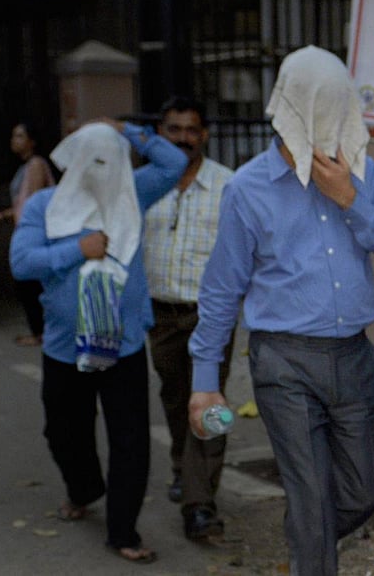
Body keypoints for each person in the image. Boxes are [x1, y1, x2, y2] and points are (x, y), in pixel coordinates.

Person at [187, 45, 374, 575]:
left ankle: (309, 539)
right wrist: (204, 381)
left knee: (364, 491)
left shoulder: (363, 174)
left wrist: (349, 197)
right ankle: (311, 547)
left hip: (354, 356)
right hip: (283, 362)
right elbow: (221, 289)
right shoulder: (246, 189)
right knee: (309, 496)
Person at [10, 118, 187, 564]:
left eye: (113, 160)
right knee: (64, 432)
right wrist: (78, 249)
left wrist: (127, 129)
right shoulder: (44, 207)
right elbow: (21, 261)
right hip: (63, 349)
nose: (104, 170)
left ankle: (122, 530)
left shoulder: (132, 194)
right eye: (95, 158)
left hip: (122, 345)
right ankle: (84, 488)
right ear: (75, 160)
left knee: (131, 439)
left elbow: (175, 161)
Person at [142, 96, 236, 539]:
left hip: (210, 318)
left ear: (205, 135)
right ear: (160, 134)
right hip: (158, 318)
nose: (182, 138)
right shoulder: (144, 186)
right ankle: (185, 470)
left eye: (190, 130)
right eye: (173, 129)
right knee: (176, 400)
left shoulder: (227, 186)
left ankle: (201, 503)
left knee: (209, 402)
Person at [0, 121, 57, 345]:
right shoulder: (26, 166)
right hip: (27, 230)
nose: (15, 141)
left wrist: (6, 218)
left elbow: (31, 202)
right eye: (14, 136)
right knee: (29, 283)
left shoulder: (36, 165)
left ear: (32, 141)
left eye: (20, 136)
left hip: (35, 233)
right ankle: (39, 330)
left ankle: (40, 332)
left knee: (30, 282)